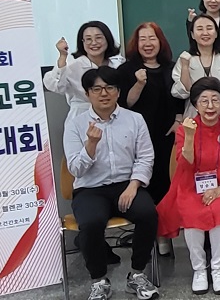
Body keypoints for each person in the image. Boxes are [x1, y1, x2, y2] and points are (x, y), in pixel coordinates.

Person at [63, 66, 159, 300]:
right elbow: (75, 169)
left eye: (109, 88)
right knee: (91, 222)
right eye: (97, 89)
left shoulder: (134, 119)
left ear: (118, 91)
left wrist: (134, 186)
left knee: (148, 213)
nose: (103, 93)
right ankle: (99, 281)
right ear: (87, 94)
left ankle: (137, 275)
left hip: (127, 185)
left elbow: (145, 157)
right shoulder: (76, 124)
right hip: (90, 189)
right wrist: (90, 145)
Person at [157, 77, 220, 295]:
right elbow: (184, 164)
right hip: (190, 187)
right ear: (195, 104)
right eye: (204, 100)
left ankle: (218, 268)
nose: (210, 106)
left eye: (215, 100)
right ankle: (199, 269)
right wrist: (189, 136)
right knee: (192, 212)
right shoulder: (185, 129)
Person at [117, 22, 185, 254]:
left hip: (167, 135)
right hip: (138, 138)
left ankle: (166, 235)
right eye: (142, 39)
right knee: (147, 184)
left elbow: (181, 99)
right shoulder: (127, 70)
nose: (148, 43)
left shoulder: (171, 68)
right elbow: (125, 103)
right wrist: (139, 83)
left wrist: (178, 120)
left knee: (167, 185)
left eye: (152, 38)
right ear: (136, 44)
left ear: (160, 41)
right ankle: (153, 237)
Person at [45, 20, 126, 125]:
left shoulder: (117, 64)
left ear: (107, 39)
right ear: (82, 42)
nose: (94, 43)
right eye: (88, 39)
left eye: (98, 38)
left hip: (113, 117)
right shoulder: (72, 65)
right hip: (81, 117)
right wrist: (62, 57)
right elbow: (57, 87)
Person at [172, 14, 220, 120]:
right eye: (199, 29)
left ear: (216, 33)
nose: (205, 33)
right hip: (192, 118)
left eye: (209, 28)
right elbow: (181, 93)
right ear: (192, 34)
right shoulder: (185, 59)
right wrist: (185, 67)